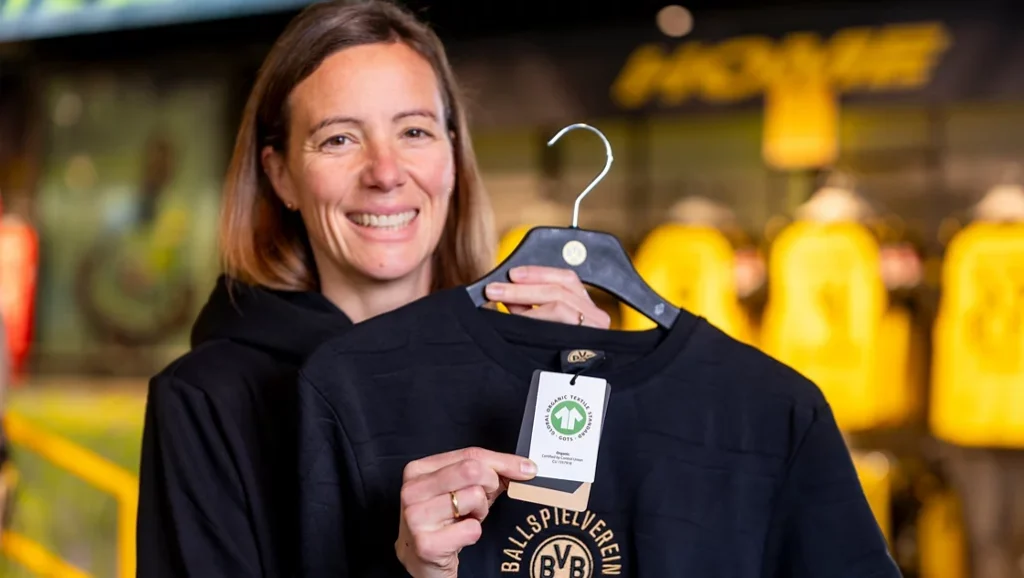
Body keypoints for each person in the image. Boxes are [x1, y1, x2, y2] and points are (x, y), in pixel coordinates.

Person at [134, 1, 611, 576]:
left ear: (453, 157)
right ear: (281, 175)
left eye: (414, 131)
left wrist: (593, 393)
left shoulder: (537, 373)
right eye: (338, 139)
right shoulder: (208, 399)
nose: (385, 173)